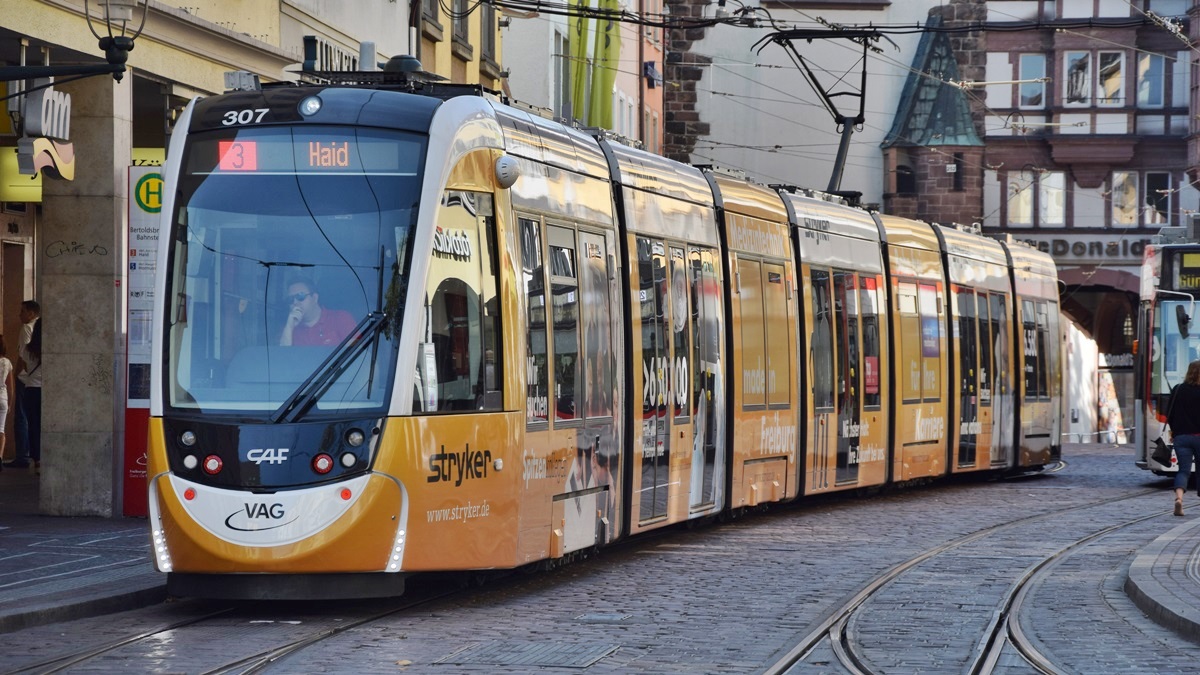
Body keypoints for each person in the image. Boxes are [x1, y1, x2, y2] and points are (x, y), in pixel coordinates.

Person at [5, 301, 38, 471]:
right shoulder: (40, 328)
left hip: (26, 378)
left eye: (22, 311)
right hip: (36, 378)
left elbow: (22, 355)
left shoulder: (27, 328)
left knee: (21, 416)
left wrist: (17, 374)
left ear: (31, 313)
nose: (19, 315)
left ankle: (22, 456)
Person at [278, 278, 356, 347]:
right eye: (290, 299)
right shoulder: (288, 329)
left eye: (300, 296)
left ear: (315, 298)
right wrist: (289, 327)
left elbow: (356, 352)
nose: (295, 302)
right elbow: (281, 358)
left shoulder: (341, 318)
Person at [1167, 359, 1200, 516]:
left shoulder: (1178, 389)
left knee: (1183, 471)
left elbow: (1170, 413)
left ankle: (1179, 499)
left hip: (1181, 438)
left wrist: (1175, 432)